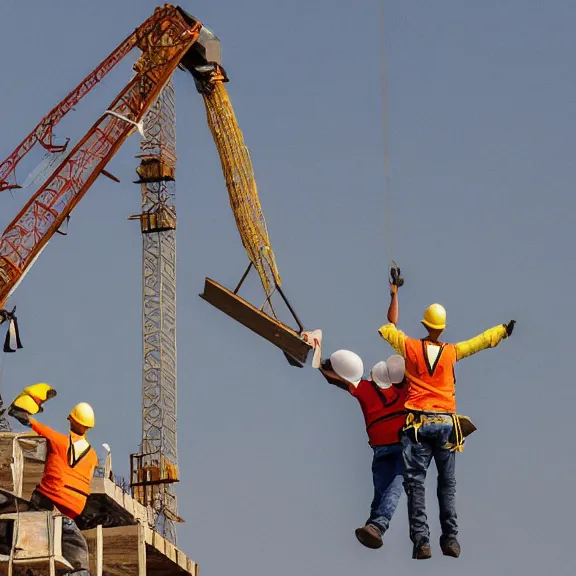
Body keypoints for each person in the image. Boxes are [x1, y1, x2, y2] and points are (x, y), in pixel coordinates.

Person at [377, 277, 515, 560]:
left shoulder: (411, 348)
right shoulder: (451, 352)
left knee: (415, 485)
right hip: (446, 427)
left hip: (418, 426)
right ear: (441, 328)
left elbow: (388, 328)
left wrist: (394, 293)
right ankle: (451, 539)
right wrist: (501, 331)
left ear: (425, 325)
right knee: (447, 486)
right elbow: (479, 343)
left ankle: (422, 542)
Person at [313, 342, 407, 550]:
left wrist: (317, 357)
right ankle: (376, 526)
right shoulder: (404, 391)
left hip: (382, 449)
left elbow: (334, 379)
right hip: (400, 447)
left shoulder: (364, 387)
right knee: (391, 488)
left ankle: (375, 525)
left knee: (387, 489)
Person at [9, 391, 97, 576]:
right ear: (89, 427)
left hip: (46, 505)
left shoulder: (57, 440)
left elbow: (23, 418)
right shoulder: (93, 457)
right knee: (79, 567)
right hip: (68, 516)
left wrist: (26, 407)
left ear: (70, 420)